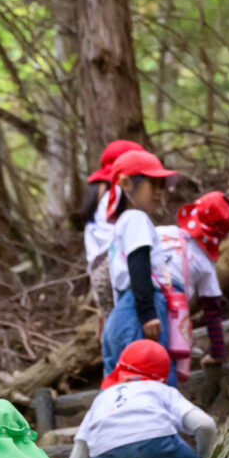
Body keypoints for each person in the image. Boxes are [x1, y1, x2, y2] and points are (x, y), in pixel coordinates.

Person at [68, 340, 217, 458]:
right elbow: (205, 425)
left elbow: (77, 457)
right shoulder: (161, 390)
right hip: (153, 445)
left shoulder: (101, 398)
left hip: (106, 456)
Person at [100, 148, 180, 377]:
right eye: (152, 184)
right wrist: (147, 313)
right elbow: (139, 263)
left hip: (121, 315)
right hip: (137, 311)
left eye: (161, 185)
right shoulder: (136, 218)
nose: (159, 191)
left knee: (123, 384)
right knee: (152, 382)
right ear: (126, 184)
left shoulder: (122, 223)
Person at [151, 191, 229, 382]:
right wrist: (218, 352)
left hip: (139, 301)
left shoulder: (161, 231)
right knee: (165, 365)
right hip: (169, 312)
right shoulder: (205, 263)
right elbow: (212, 310)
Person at [82, 139, 147, 337]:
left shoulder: (97, 196)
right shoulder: (119, 193)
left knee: (116, 330)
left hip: (98, 270)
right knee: (131, 330)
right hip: (117, 268)